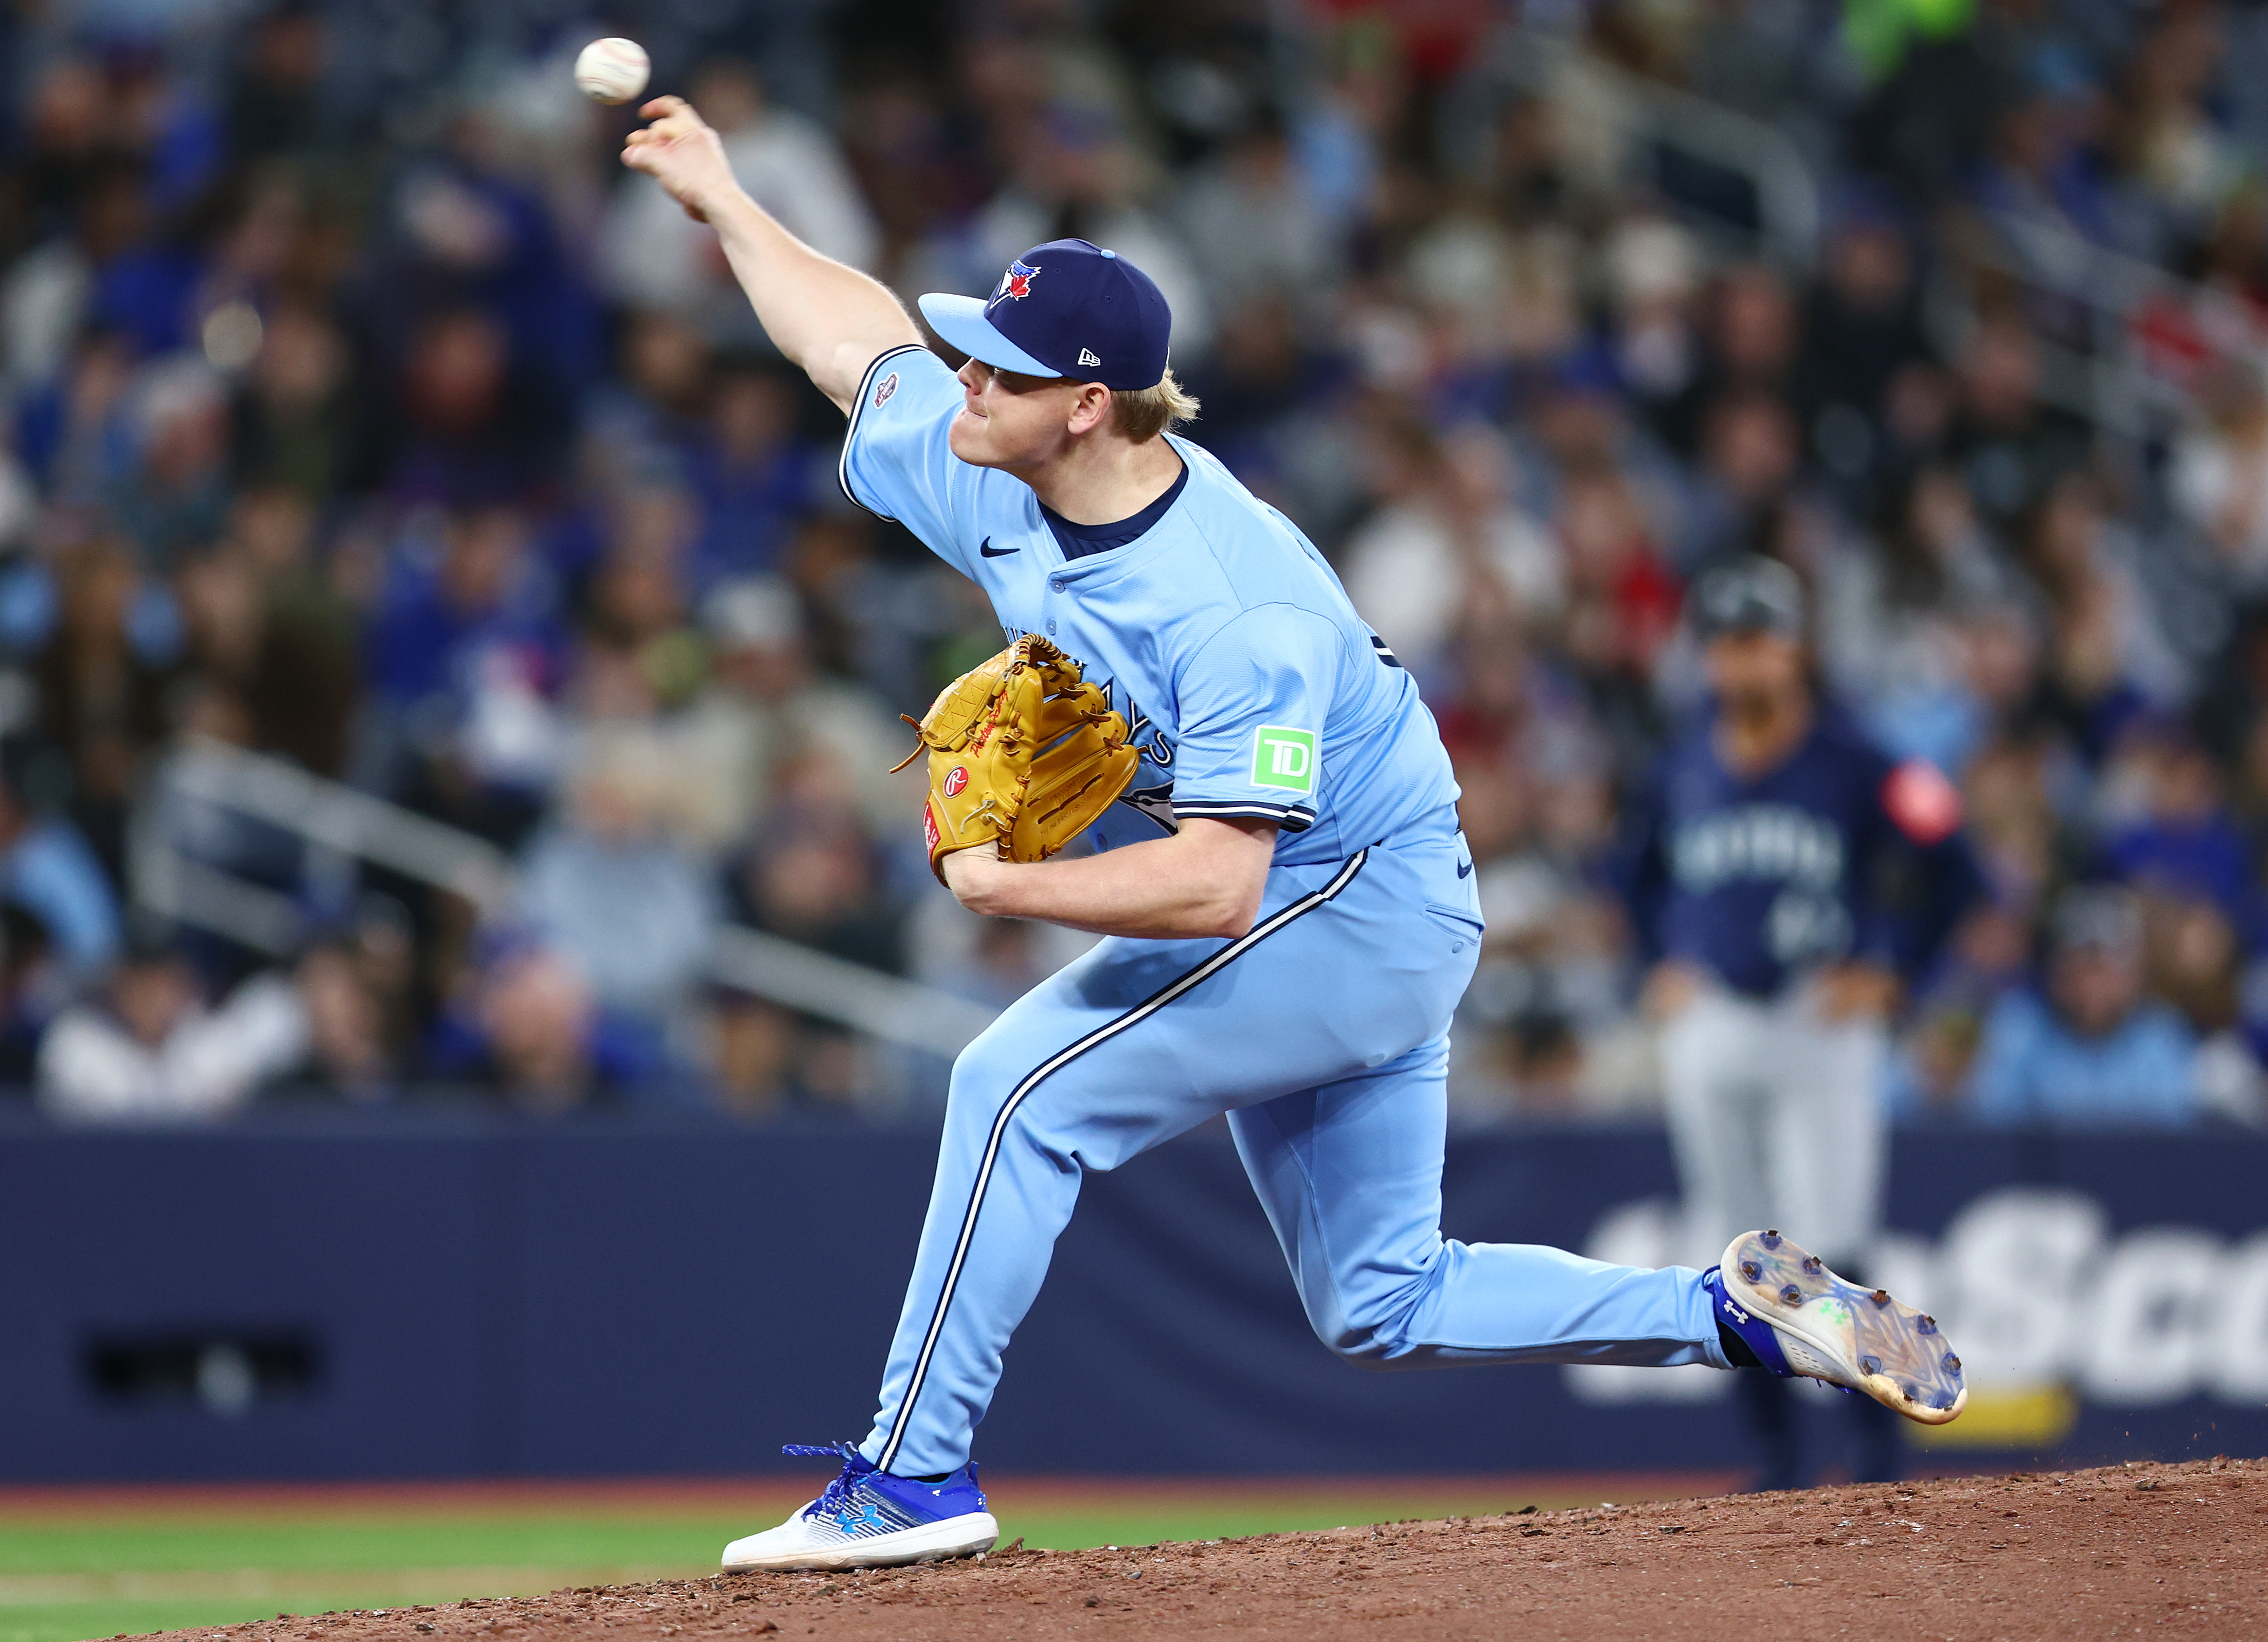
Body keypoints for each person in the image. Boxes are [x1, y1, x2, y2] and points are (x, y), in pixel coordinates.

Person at [618, 97, 1970, 1573]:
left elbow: (1217, 884)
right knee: (1381, 1300)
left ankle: (911, 1475)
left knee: (1014, 1086)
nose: (959, 383)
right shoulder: (989, 465)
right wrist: (730, 203)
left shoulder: (1233, 604)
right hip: (1352, 902)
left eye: (994, 368)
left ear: (1085, 406)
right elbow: (849, 345)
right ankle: (1725, 1316)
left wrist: (1010, 882)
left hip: (1356, 905)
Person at [1613, 556, 1983, 1490]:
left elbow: (1956, 866)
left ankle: (1874, 1457)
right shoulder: (1679, 762)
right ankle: (1775, 1465)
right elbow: (1627, 876)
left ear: (1795, 650)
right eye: (1726, 642)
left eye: (1758, 640)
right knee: (1736, 1255)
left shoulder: (1860, 757)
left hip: (1817, 1017)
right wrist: (1649, 961)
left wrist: (1894, 970)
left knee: (1834, 1240)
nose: (1741, 662)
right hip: (1709, 1023)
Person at [1968, 885, 2201, 1125]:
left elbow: (2172, 1147)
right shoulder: (2017, 1027)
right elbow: (1992, 1127)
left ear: (2137, 975)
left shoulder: (2163, 1036)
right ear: (2053, 969)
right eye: (2081, 964)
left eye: (2109, 967)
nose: (2093, 984)